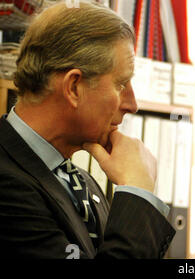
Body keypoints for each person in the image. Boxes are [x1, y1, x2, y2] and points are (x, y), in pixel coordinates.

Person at [0, 1, 175, 258]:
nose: (132, 105)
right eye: (121, 84)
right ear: (73, 87)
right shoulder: (7, 184)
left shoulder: (82, 183)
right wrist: (139, 192)